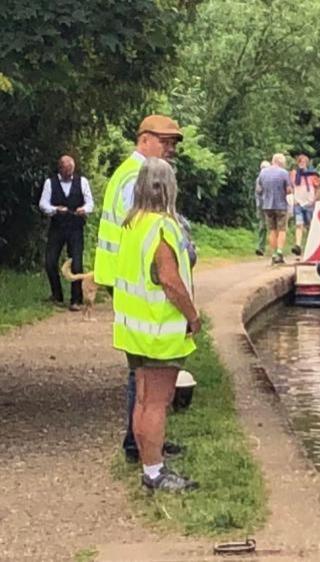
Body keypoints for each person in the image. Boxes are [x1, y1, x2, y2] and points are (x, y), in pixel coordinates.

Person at [94, 114, 184, 465]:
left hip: (124, 277)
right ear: (144, 139)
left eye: (174, 143)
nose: (170, 149)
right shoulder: (137, 177)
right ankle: (142, 445)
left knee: (141, 368)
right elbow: (142, 228)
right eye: (165, 141)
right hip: (134, 281)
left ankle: (145, 441)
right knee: (145, 370)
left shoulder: (127, 172)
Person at [114, 157, 199, 492]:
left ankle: (147, 464)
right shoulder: (164, 228)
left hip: (134, 328)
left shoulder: (132, 224)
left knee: (142, 398)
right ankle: (154, 471)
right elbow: (170, 280)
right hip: (159, 331)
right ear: (169, 188)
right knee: (156, 403)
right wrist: (192, 316)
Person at [39, 155, 93, 310]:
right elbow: (43, 203)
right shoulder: (50, 183)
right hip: (57, 227)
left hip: (76, 227)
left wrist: (85, 209)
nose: (70, 174)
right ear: (60, 169)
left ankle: (76, 300)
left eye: (72, 171)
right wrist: (55, 209)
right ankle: (57, 295)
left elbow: (90, 202)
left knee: (77, 263)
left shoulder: (82, 182)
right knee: (50, 261)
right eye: (67, 171)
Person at [258, 153, 292, 264]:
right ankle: (279, 252)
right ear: (281, 162)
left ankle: (273, 254)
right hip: (281, 205)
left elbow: (259, 189)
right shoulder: (284, 173)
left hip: (267, 206)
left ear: (273, 161)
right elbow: (288, 190)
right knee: (282, 229)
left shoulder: (263, 173)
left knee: (272, 230)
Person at [289, 154, 319, 257]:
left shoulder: (312, 174)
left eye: (304, 162)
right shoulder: (294, 174)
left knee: (310, 225)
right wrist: (294, 198)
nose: (302, 164)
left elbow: (318, 187)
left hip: (309, 203)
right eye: (300, 162)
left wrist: (315, 199)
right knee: (299, 224)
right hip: (298, 203)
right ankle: (298, 245)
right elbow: (291, 187)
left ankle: (311, 245)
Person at [254, 160, 269, 256]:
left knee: (269, 226)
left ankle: (273, 248)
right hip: (262, 206)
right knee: (263, 226)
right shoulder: (259, 179)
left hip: (269, 205)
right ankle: (261, 247)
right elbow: (258, 190)